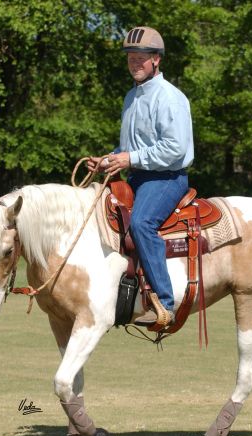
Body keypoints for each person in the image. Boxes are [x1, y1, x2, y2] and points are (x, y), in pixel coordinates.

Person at [87, 26, 194, 327]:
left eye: (141, 58)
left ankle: (166, 303)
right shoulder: (131, 97)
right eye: (131, 58)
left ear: (156, 60)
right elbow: (130, 147)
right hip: (138, 175)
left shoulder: (170, 98)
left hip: (167, 178)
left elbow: (175, 148)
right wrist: (109, 159)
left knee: (142, 223)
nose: (134, 63)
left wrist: (129, 158)